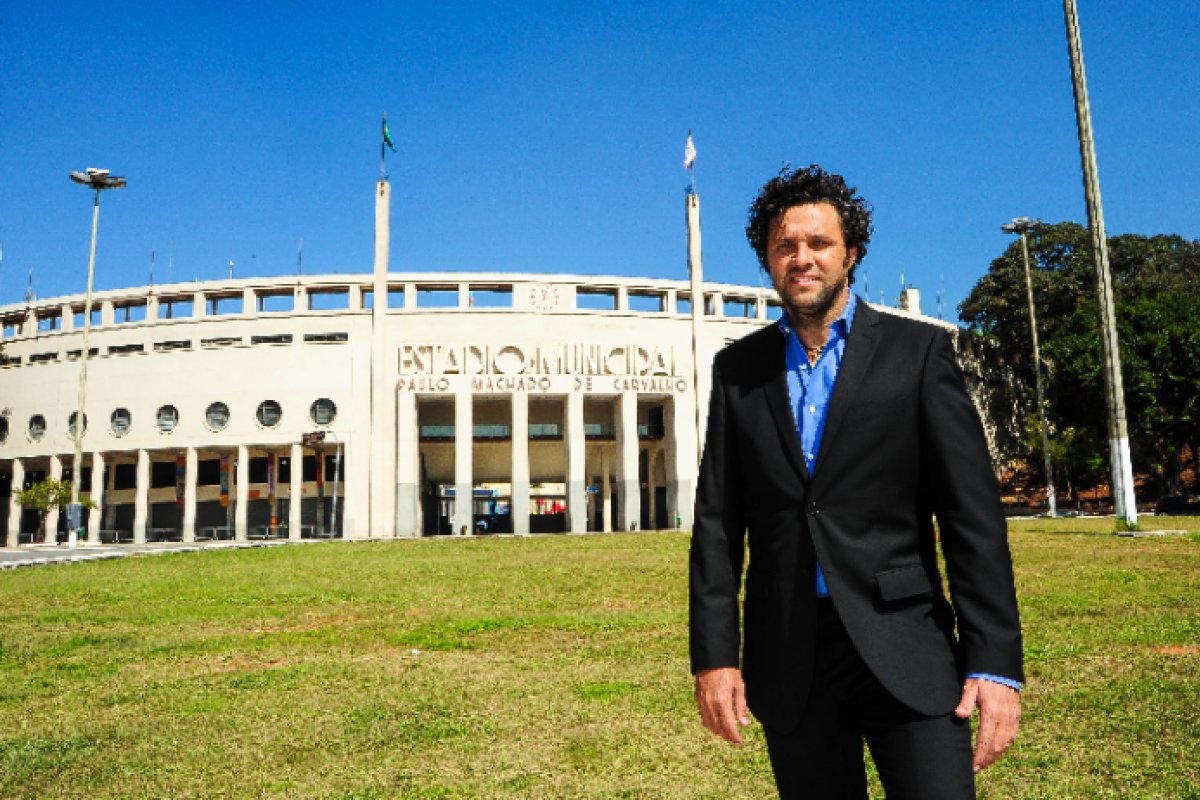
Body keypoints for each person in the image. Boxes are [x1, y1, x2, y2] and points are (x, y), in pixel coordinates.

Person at [689, 165, 1023, 799]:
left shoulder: (918, 355)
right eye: (785, 245)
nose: (802, 258)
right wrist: (714, 656)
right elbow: (717, 526)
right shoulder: (738, 371)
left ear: (851, 254)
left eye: (819, 243)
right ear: (767, 258)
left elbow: (971, 519)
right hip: (789, 657)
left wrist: (994, 665)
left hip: (906, 645)